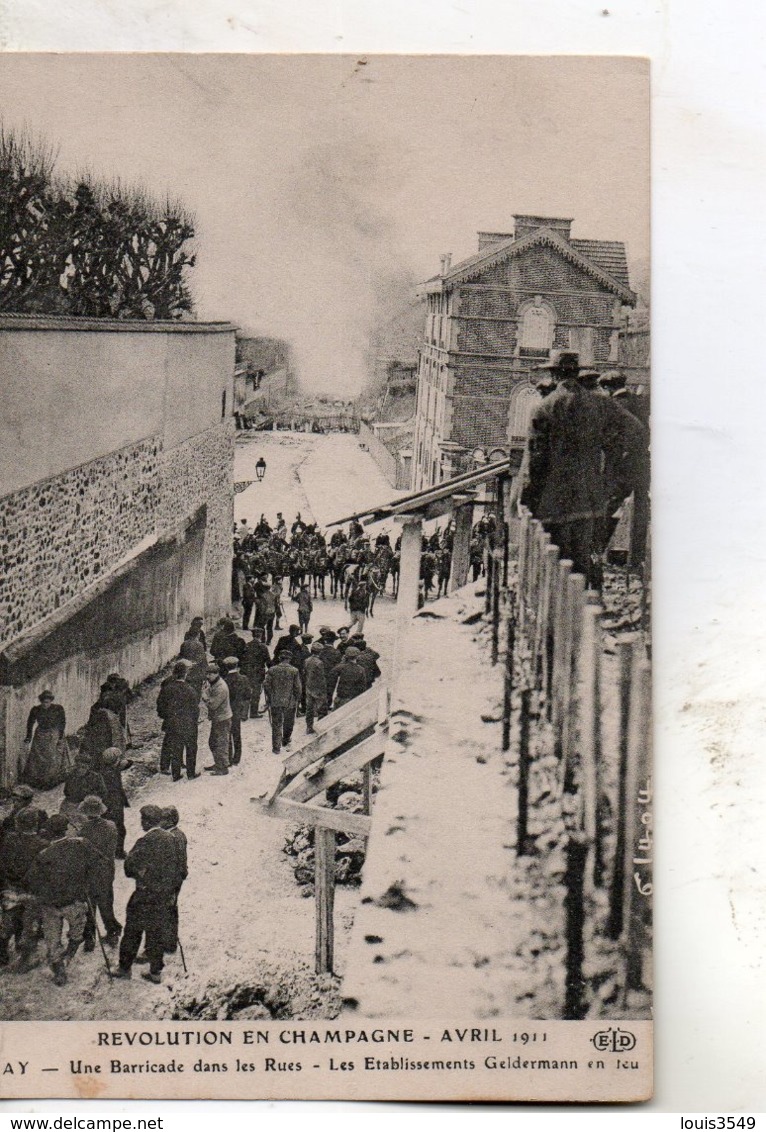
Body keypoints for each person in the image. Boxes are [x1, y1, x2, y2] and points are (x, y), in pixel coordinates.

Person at [519, 349, 643, 588]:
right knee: (587, 561)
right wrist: (610, 467)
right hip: (592, 499)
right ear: (576, 374)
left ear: (554, 376)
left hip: (553, 503)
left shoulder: (544, 408)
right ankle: (593, 613)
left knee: (558, 566)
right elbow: (635, 429)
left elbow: (535, 462)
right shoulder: (600, 403)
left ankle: (562, 617)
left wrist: (528, 501)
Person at [23, 814, 101, 985]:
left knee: (52, 939)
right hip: (75, 901)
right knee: (77, 931)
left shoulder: (44, 855)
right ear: (66, 829)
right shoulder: (80, 844)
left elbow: (30, 881)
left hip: (50, 905)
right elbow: (97, 862)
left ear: (49, 833)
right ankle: (70, 952)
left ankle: (59, 970)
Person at [114, 805, 184, 985]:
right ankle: (155, 972)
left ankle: (124, 968)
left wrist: (141, 871)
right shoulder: (171, 839)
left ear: (146, 821)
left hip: (144, 894)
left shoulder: (145, 841)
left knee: (132, 931)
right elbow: (177, 868)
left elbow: (128, 869)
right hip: (163, 894)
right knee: (156, 932)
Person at [0, 807, 47, 967]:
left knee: (8, 918)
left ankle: (2, 953)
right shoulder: (42, 844)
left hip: (10, 887)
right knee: (29, 921)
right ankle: (24, 955)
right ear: (35, 824)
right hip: (31, 891)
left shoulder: (9, 839)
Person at [78, 795, 121, 950]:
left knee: (89, 906)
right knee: (106, 903)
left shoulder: (84, 829)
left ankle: (89, 939)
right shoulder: (111, 826)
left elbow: (81, 853)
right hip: (107, 871)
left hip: (89, 872)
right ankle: (113, 932)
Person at [156, 661, 200, 781]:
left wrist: (167, 717)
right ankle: (191, 773)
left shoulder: (167, 689)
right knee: (191, 748)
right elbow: (195, 709)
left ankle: (176, 774)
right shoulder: (190, 690)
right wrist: (194, 721)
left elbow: (160, 707)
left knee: (176, 747)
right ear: (185, 674)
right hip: (189, 724)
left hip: (172, 723)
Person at [23, 691, 70, 790]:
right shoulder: (36, 710)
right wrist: (29, 736)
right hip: (40, 734)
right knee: (37, 756)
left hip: (53, 734)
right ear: (41, 702)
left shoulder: (58, 709)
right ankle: (37, 780)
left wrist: (60, 736)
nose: (45, 704)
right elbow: (30, 723)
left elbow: (62, 722)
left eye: (47, 702)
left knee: (52, 757)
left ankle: (50, 780)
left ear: (51, 701)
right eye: (44, 702)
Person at [159, 806, 187, 956]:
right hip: (177, 878)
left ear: (169, 821)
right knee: (170, 908)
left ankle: (168, 943)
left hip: (171, 880)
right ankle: (170, 940)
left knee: (167, 910)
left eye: (162, 819)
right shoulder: (179, 834)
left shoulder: (170, 838)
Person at [262, 652, 302, 755]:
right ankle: (285, 740)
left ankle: (276, 748)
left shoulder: (272, 670)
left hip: (276, 702)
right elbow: (297, 687)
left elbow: (266, 685)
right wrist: (297, 698)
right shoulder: (294, 670)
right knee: (289, 722)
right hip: (290, 702)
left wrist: (271, 697)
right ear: (290, 659)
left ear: (280, 658)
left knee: (276, 724)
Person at [60, 754, 107, 831]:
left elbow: (103, 792)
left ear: (88, 767)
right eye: (78, 767)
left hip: (87, 804)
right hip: (70, 804)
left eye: (83, 767)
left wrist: (90, 799)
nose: (80, 770)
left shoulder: (96, 777)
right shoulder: (71, 775)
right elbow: (66, 791)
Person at [201, 665, 232, 775]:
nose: (207, 676)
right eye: (207, 674)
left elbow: (213, 705)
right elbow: (208, 691)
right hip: (217, 718)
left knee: (221, 743)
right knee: (213, 742)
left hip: (222, 719)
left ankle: (223, 768)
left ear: (216, 674)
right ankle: (218, 763)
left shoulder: (221, 687)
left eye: (210, 674)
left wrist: (204, 697)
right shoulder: (214, 683)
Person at [221, 658, 252, 766]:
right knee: (237, 734)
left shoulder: (224, 680)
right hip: (238, 709)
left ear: (226, 667)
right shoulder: (244, 679)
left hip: (228, 710)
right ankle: (237, 758)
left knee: (227, 734)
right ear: (237, 665)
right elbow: (248, 695)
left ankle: (228, 757)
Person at [100, 747, 130, 859]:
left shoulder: (105, 770)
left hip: (107, 805)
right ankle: (118, 852)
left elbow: (128, 764)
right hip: (114, 804)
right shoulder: (112, 773)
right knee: (120, 829)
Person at [242, 628, 271, 718]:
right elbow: (268, 662)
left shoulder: (247, 645)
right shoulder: (263, 647)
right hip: (258, 673)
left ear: (252, 635)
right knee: (256, 693)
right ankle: (253, 713)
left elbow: (243, 659)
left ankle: (244, 713)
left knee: (246, 691)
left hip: (247, 671)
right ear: (261, 635)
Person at [303, 641, 328, 735]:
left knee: (309, 709)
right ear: (320, 652)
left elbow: (304, 673)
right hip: (318, 689)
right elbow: (321, 677)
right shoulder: (319, 663)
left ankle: (309, 727)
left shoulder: (307, 660)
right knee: (322, 709)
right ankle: (320, 728)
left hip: (309, 686)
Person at [179, 630, 208, 701]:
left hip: (186, 671)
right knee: (196, 692)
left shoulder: (184, 644)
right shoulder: (199, 645)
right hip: (197, 673)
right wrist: (205, 674)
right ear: (197, 635)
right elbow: (202, 660)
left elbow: (181, 657)